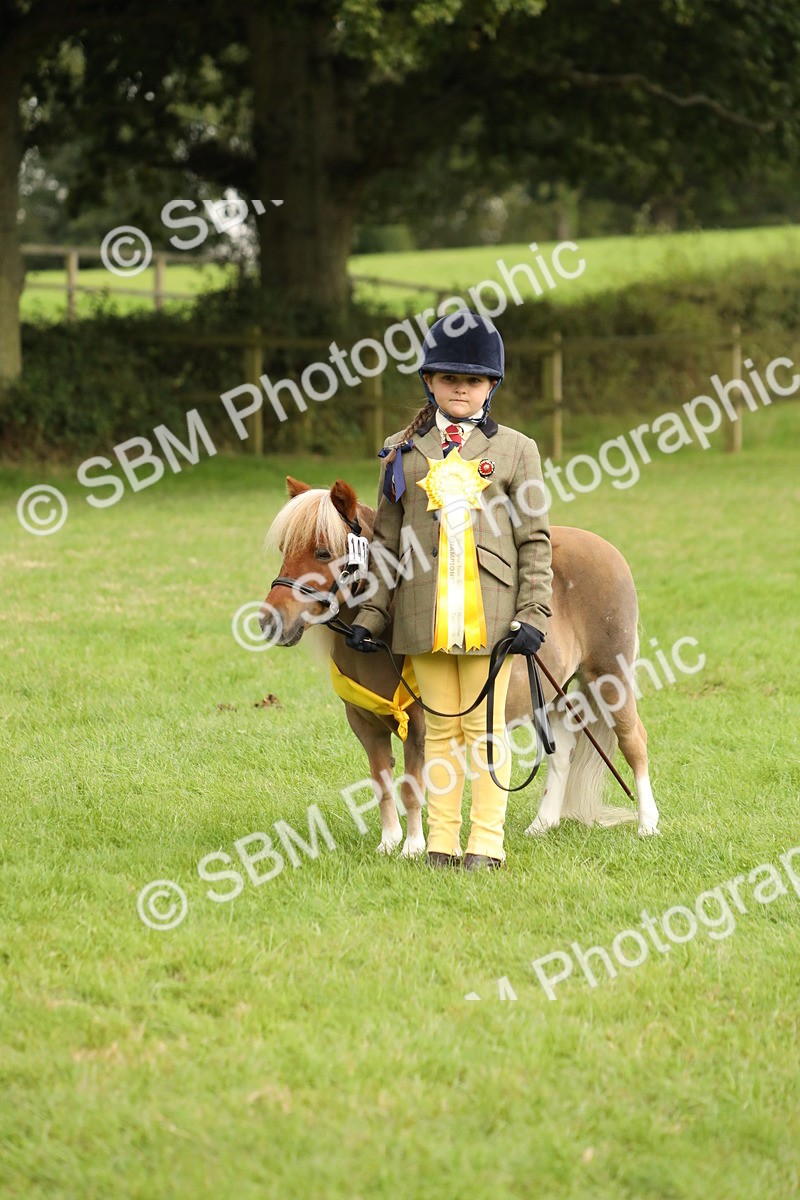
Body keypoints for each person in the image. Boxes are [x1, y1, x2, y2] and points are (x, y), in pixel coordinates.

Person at [346, 310, 553, 870]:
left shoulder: (516, 449)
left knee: (484, 729)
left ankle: (486, 843)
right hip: (421, 610)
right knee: (436, 728)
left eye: (474, 380)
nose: (461, 388)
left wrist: (534, 609)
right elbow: (386, 542)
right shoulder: (401, 450)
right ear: (430, 382)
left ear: (490, 386)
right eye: (448, 378)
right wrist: (370, 614)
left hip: (492, 611)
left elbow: (534, 536)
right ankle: (441, 841)